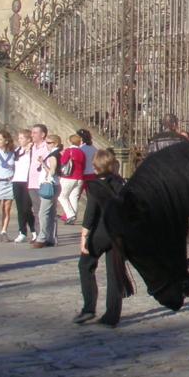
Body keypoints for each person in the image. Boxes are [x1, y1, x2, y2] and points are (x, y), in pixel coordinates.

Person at [75, 150, 130, 327]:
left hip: (100, 233)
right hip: (118, 234)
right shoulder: (121, 183)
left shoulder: (94, 185)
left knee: (85, 265)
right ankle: (112, 315)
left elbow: (90, 213)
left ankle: (89, 308)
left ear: (96, 166)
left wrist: (84, 236)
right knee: (115, 274)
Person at [25, 125, 60, 249]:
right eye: (31, 132)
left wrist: (42, 163)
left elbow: (52, 170)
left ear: (43, 135)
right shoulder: (33, 146)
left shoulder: (49, 149)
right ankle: (47, 237)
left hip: (47, 185)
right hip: (34, 183)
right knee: (41, 212)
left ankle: (43, 237)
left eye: (35, 132)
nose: (32, 135)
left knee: (44, 212)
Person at [11, 128, 35, 242]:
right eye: (18, 138)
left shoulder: (33, 150)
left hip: (27, 181)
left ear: (28, 139)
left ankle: (34, 231)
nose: (19, 140)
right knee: (20, 208)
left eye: (21, 138)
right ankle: (22, 232)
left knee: (27, 208)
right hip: (17, 181)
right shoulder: (17, 150)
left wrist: (30, 147)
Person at [58, 133, 87, 224]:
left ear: (70, 142)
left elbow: (63, 161)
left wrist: (61, 155)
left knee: (62, 196)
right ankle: (72, 218)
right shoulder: (82, 152)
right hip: (79, 177)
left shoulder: (69, 150)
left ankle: (70, 215)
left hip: (69, 177)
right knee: (73, 197)